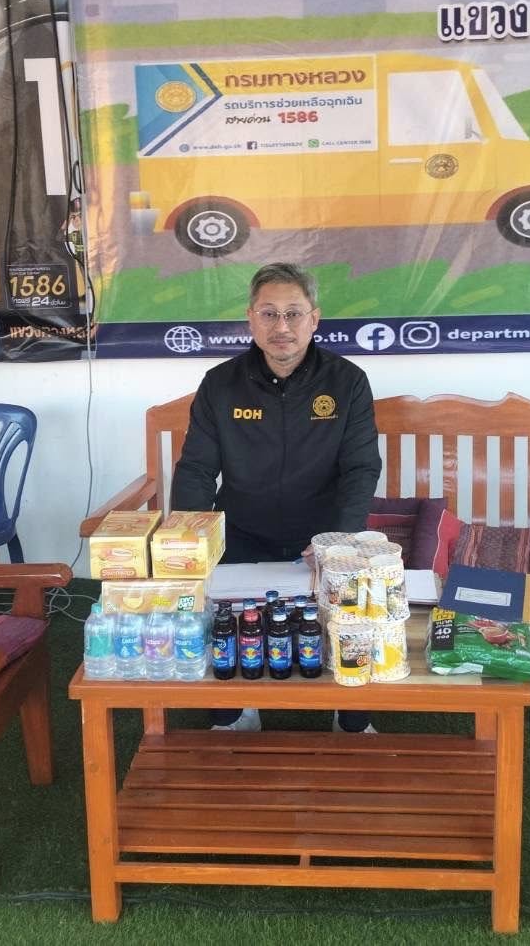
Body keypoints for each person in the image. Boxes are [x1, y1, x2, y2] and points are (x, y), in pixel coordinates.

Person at [171, 262, 381, 733]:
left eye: (293, 313)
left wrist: (339, 540)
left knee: (350, 616)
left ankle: (350, 719)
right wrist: (190, 539)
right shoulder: (220, 384)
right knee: (223, 619)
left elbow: (361, 467)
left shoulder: (347, 381)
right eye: (269, 313)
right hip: (242, 532)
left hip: (322, 535)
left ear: (314, 319)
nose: (281, 326)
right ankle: (235, 711)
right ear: (251, 319)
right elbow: (197, 469)